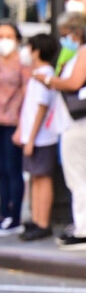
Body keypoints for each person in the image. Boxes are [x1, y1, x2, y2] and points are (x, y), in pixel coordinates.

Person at [39, 12, 86, 250]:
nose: (63, 39)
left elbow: (74, 83)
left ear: (76, 33)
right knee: (81, 178)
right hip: (80, 124)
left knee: (77, 179)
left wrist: (48, 81)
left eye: (65, 34)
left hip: (79, 124)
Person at [14, 34, 60, 240]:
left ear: (37, 51)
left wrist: (31, 138)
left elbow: (41, 108)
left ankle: (43, 222)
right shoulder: (37, 74)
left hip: (42, 138)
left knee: (42, 178)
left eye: (29, 47)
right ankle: (37, 218)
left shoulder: (45, 75)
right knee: (36, 178)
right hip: (34, 136)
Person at [0, 20, 30, 234]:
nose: (4, 41)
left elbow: (28, 92)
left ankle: (15, 215)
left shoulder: (22, 62)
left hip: (13, 122)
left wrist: (23, 125)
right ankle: (3, 213)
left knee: (13, 170)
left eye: (9, 36)